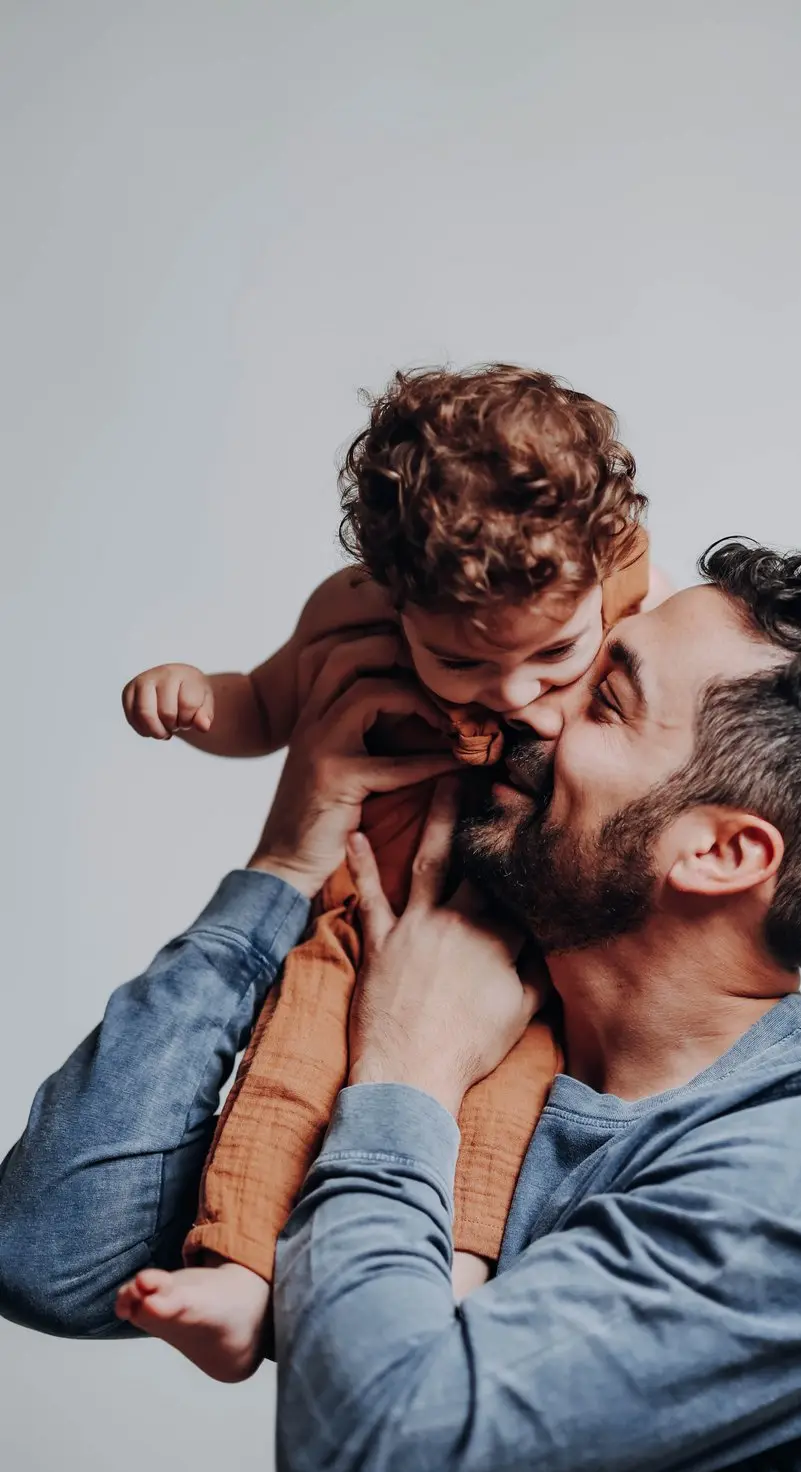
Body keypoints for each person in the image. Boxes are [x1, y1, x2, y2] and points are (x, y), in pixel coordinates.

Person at [0, 542, 801, 1472]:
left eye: (603, 698)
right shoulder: (500, 1045)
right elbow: (52, 1256)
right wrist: (284, 866)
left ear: (720, 853)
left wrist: (408, 1066)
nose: (529, 705)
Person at [115, 362, 669, 1381]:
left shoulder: (631, 581)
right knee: (290, 1067)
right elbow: (263, 705)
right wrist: (197, 697)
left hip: (527, 929)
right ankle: (239, 1271)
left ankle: (457, 1266)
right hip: (358, 909)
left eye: (555, 656)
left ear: (603, 564)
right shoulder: (348, 613)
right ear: (392, 592)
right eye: (459, 662)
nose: (515, 696)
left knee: (514, 1089)